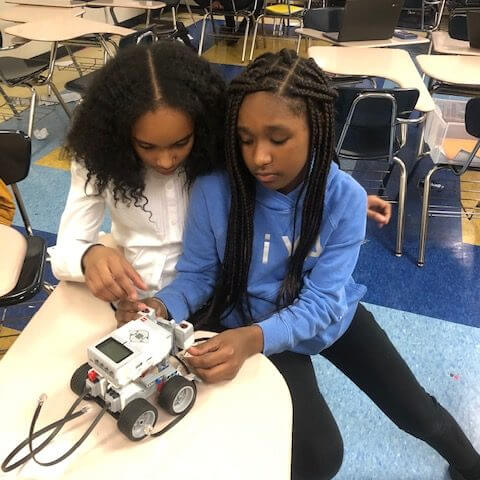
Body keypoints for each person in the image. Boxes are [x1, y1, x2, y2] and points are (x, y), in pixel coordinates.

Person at [116, 50, 480, 480]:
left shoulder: (342, 197)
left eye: (278, 138)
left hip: (324, 316)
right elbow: (197, 276)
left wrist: (250, 339)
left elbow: (323, 302)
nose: (259, 157)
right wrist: (159, 307)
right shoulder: (215, 190)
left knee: (416, 411)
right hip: (260, 324)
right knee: (319, 455)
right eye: (246, 138)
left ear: (316, 130)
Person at [51, 41, 226, 303]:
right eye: (147, 146)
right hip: (136, 300)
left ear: (201, 129)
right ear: (122, 135)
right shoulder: (99, 159)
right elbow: (65, 251)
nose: (166, 161)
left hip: (218, 297)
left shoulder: (219, 151)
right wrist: (89, 256)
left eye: (181, 143)